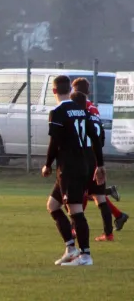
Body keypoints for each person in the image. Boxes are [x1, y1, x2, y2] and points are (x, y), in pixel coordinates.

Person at [43, 76, 106, 266]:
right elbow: (95, 138)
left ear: (54, 91)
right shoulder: (81, 109)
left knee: (75, 210)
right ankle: (71, 248)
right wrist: (100, 165)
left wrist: (47, 164)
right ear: (70, 89)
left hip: (70, 168)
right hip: (83, 165)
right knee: (53, 206)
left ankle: (85, 255)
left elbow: (54, 142)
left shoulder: (58, 112)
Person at [71, 78, 128, 236]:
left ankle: (74, 227)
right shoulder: (94, 108)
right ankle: (115, 220)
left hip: (84, 153)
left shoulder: (78, 107)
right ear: (88, 92)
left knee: (82, 192)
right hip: (94, 152)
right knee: (95, 194)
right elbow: (99, 134)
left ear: (74, 91)